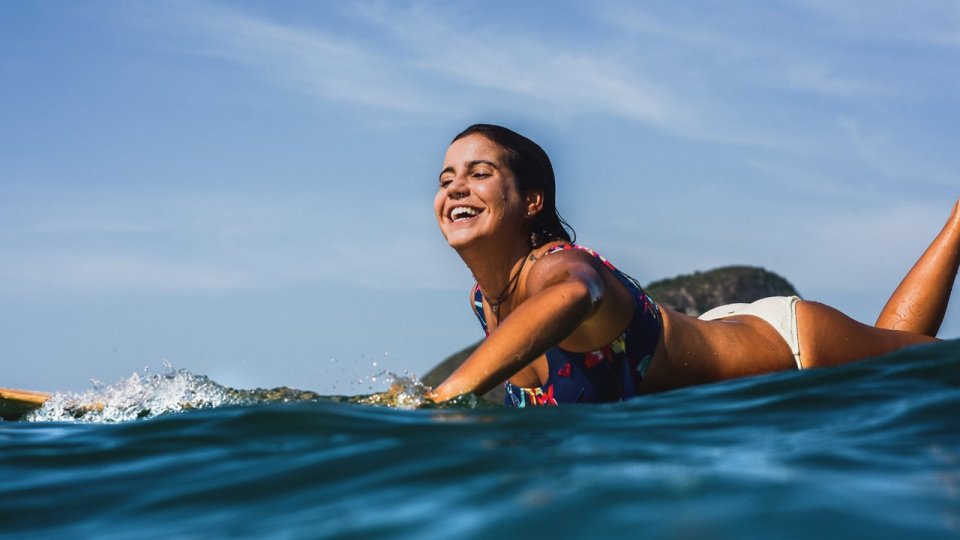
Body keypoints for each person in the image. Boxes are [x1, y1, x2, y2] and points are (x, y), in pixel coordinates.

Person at [426, 124, 960, 407]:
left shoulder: (557, 268)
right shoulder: (484, 300)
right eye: (447, 178)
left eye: (479, 173)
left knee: (930, 367)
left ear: (532, 201)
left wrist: (444, 395)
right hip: (717, 342)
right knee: (898, 362)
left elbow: (572, 296)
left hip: (792, 350)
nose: (456, 188)